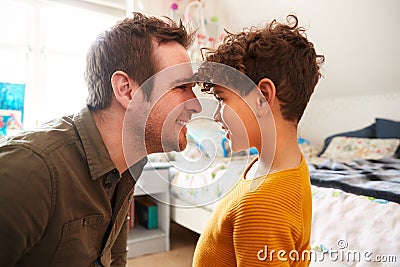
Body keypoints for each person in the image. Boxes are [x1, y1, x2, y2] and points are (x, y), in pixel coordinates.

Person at [0, 12, 201, 267]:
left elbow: (113, 259)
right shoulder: (30, 170)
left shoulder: (128, 164)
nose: (196, 105)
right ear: (126, 91)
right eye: (181, 87)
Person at [193, 15, 325, 266]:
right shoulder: (273, 165)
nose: (216, 116)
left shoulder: (262, 206)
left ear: (262, 97)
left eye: (222, 99)